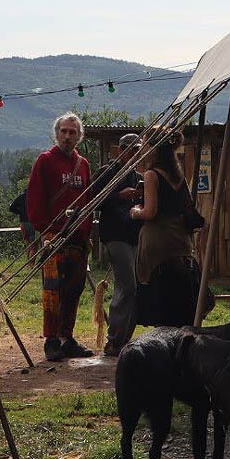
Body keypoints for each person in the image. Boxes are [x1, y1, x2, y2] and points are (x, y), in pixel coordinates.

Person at [27, 112, 93, 361]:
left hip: (78, 240)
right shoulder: (45, 161)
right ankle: (52, 340)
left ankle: (67, 337)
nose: (67, 136)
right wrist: (45, 231)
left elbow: (88, 201)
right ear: (56, 134)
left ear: (79, 136)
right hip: (53, 238)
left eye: (72, 132)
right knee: (52, 292)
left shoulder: (83, 164)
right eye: (63, 131)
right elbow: (35, 199)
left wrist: (86, 234)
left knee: (73, 290)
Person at [130, 133, 201, 325]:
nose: (142, 148)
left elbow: (150, 212)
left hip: (158, 240)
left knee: (161, 295)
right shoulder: (178, 175)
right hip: (179, 239)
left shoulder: (152, 175)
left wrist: (135, 211)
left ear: (154, 148)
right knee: (178, 295)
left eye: (145, 144)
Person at [94, 133, 142, 356]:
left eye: (138, 150)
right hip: (115, 234)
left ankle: (123, 339)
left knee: (133, 288)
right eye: (132, 150)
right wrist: (119, 196)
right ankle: (114, 339)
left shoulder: (136, 176)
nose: (136, 154)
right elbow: (94, 200)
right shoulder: (108, 172)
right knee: (128, 286)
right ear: (121, 150)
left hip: (133, 234)